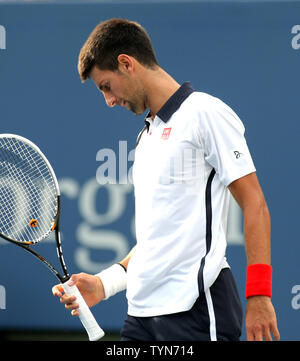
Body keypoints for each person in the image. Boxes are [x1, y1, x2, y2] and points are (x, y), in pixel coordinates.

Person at [52, 18, 280, 341]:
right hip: (141, 317)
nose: (109, 100)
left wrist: (259, 294)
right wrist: (104, 284)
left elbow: (254, 202)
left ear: (126, 64)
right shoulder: (145, 139)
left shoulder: (205, 113)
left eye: (105, 86)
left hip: (197, 313)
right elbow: (154, 241)